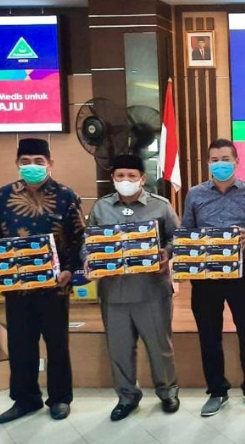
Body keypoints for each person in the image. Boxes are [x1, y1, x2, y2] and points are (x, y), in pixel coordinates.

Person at [0, 138, 84, 424]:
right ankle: (25, 399)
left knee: (57, 345)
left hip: (56, 288)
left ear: (50, 163)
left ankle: (60, 399)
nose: (32, 166)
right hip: (17, 288)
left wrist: (70, 271)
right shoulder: (3, 196)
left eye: (38, 161)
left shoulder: (66, 195)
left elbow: (79, 239)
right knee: (20, 345)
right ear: (17, 164)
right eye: (26, 161)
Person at [181, 139, 245, 417]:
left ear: (236, 162)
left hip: (241, 272)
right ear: (208, 163)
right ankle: (217, 391)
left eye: (225, 159)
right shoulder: (195, 194)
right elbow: (186, 230)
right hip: (205, 275)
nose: (220, 164)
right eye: (214, 160)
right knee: (209, 333)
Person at [87, 154, 180, 422]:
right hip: (113, 292)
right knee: (119, 349)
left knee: (160, 347)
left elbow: (177, 237)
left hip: (151, 290)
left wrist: (166, 252)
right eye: (120, 176)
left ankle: (167, 392)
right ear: (112, 179)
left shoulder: (161, 206)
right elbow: (88, 241)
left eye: (131, 176)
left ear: (142, 178)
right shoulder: (101, 208)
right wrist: (87, 257)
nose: (125, 180)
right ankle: (127, 396)